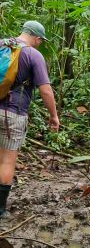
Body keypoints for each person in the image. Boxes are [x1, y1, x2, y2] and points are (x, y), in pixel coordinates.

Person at [0, 20, 60, 217]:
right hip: (12, 113)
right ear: (36, 37)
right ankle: (0, 210)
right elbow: (45, 90)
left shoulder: (2, 44)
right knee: (7, 162)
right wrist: (53, 116)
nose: (40, 43)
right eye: (41, 40)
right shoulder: (33, 54)